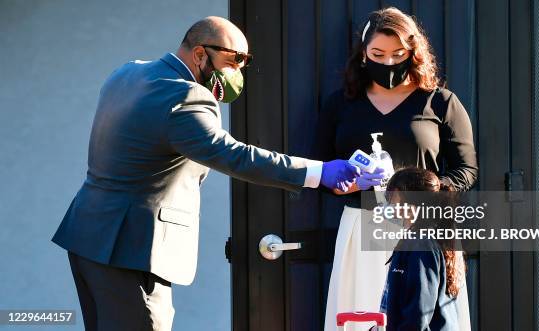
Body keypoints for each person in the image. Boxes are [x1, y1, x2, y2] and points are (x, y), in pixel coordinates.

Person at [51, 17, 362, 331]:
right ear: (199, 53)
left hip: (88, 237)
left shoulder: (128, 72)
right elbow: (234, 155)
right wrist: (319, 172)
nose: (238, 72)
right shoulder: (185, 96)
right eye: (232, 61)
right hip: (131, 249)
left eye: (244, 62)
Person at [310, 7, 477, 331]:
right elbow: (317, 167)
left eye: (398, 54)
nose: (388, 62)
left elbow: (466, 171)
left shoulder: (440, 102)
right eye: (378, 53)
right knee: (360, 318)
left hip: (423, 230)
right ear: (363, 53)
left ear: (414, 53)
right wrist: (347, 184)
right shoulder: (340, 105)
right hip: (362, 226)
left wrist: (422, 189)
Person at [377, 166, 471, 330]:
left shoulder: (421, 243)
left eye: (393, 195)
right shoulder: (426, 238)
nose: (388, 201)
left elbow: (418, 313)